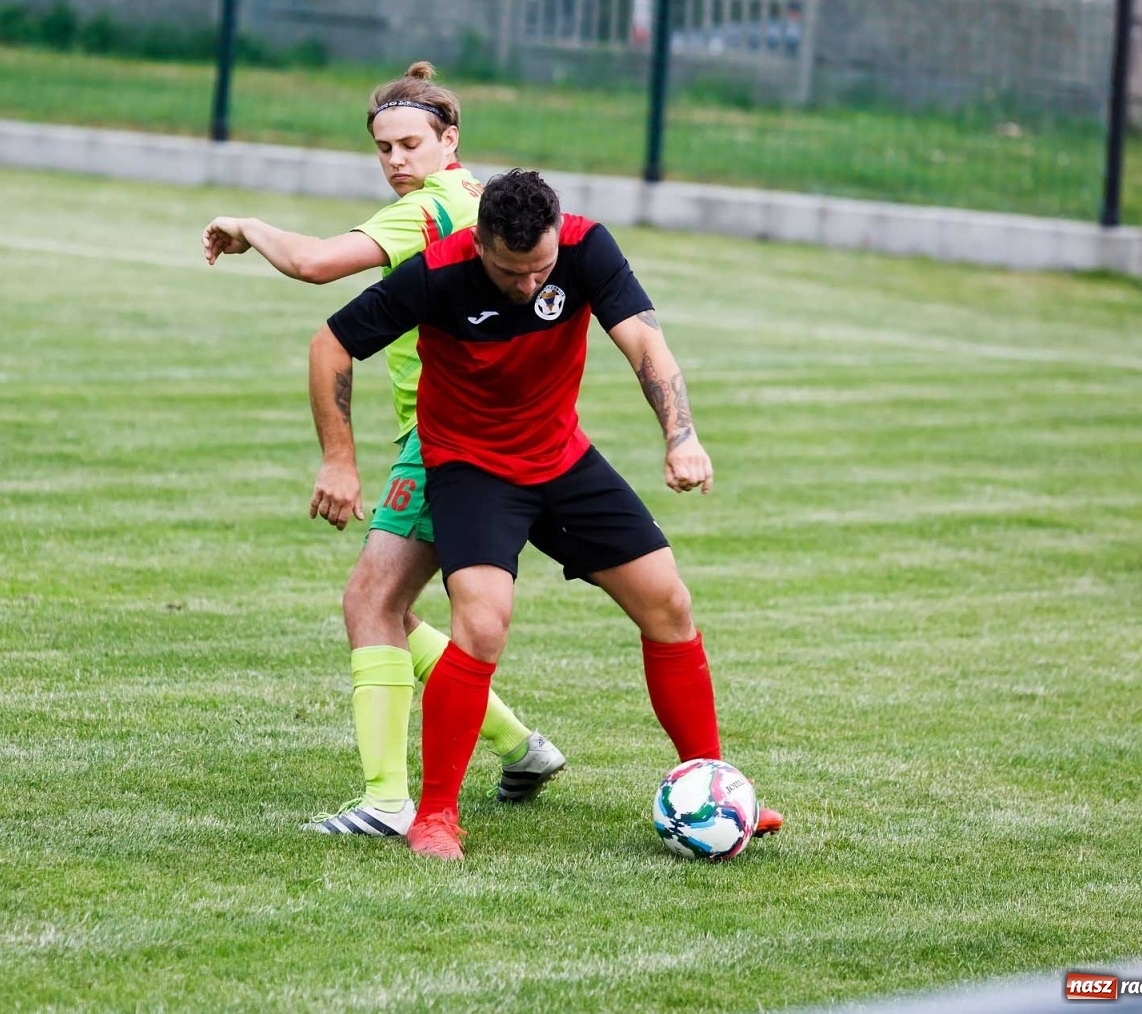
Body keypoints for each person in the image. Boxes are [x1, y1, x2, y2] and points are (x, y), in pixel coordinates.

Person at [309, 169, 785, 859]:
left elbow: (646, 343)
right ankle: (436, 815)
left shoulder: (588, 249)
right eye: (511, 272)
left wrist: (681, 436)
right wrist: (338, 459)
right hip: (471, 469)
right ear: (481, 246)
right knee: (483, 621)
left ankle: (712, 784)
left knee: (668, 602)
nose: (531, 286)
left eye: (542, 269)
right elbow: (331, 345)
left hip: (560, 457)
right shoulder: (436, 274)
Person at [202, 64, 565, 837]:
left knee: (369, 603)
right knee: (388, 610)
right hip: (493, 430)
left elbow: (314, 265)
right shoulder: (477, 198)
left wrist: (249, 226)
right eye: (383, 148)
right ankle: (520, 748)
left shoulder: (425, 211)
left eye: (410, 143)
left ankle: (388, 802)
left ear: (449, 139)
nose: (396, 160)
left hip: (443, 439)